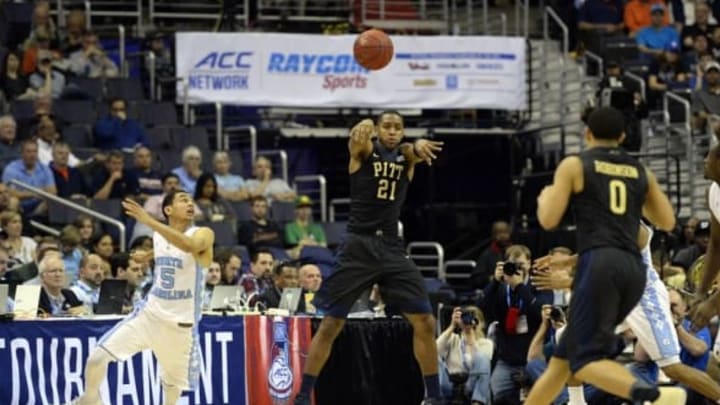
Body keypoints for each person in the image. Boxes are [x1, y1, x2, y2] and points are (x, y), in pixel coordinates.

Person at [524, 107, 675, 404]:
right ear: (621, 136)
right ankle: (646, 392)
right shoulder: (639, 170)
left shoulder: (576, 165)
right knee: (562, 363)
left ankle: (651, 394)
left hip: (600, 264)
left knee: (582, 359)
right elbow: (668, 221)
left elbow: (549, 220)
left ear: (587, 134)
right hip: (633, 269)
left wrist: (543, 200)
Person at [292, 111, 444, 405]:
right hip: (357, 246)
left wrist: (421, 143)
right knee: (330, 325)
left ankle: (435, 397)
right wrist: (360, 128)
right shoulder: (365, 150)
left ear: (402, 132)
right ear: (377, 129)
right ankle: (302, 395)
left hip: (390, 246)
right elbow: (356, 142)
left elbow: (413, 150)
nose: (392, 131)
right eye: (386, 126)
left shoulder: (406, 156)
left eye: (397, 127)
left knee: (425, 321)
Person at [534, 222, 720, 404]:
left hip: (644, 298)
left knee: (672, 368)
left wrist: (569, 282)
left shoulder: (634, 226)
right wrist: (566, 261)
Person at [67, 190, 215, 405]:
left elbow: (188, 246)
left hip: (180, 326)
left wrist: (149, 221)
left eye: (191, 200)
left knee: (171, 388)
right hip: (149, 316)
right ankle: (89, 400)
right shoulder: (159, 237)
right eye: (183, 200)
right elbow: (169, 243)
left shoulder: (203, 233)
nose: (190, 203)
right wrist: (149, 255)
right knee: (97, 358)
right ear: (168, 210)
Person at [437, 306, 493, 405]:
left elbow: (483, 367)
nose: (471, 324)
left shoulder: (486, 343)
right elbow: (435, 350)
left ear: (482, 324)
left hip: (471, 384)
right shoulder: (453, 339)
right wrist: (452, 326)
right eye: (466, 320)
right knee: (434, 358)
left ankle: (477, 402)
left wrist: (470, 336)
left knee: (482, 358)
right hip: (450, 383)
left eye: (475, 321)